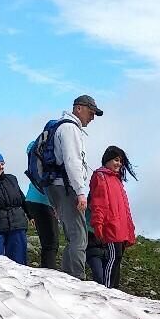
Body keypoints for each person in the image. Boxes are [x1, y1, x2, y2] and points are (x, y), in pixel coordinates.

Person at [47, 94, 102, 279]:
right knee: (79, 236)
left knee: (74, 235)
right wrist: (81, 191)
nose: (92, 117)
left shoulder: (62, 127)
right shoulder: (70, 129)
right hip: (66, 186)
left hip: (58, 185)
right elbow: (72, 162)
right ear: (79, 108)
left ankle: (69, 276)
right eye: (91, 112)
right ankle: (76, 278)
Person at [86, 145, 137, 288]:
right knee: (113, 258)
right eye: (116, 160)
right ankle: (107, 290)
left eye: (121, 161)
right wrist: (98, 224)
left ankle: (114, 289)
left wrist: (130, 230)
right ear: (107, 160)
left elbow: (125, 209)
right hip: (112, 227)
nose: (119, 164)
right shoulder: (100, 176)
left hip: (120, 228)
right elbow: (98, 203)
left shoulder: (117, 180)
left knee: (117, 258)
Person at [22, 140, 59, 269]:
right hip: (44, 200)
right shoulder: (48, 154)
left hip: (33, 198)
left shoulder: (35, 150)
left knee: (48, 242)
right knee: (51, 243)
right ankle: (49, 275)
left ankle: (48, 272)